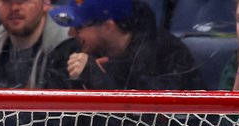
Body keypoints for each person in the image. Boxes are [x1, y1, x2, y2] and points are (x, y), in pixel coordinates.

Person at [44, 0, 201, 91]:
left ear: (108, 26)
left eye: (79, 26)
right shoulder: (68, 52)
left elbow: (154, 123)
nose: (71, 33)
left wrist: (97, 78)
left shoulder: (167, 54)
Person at [0, 0, 73, 90]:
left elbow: (57, 117)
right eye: (6, 0)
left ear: (46, 3)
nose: (14, 7)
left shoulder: (70, 47)